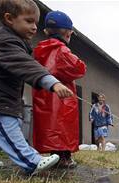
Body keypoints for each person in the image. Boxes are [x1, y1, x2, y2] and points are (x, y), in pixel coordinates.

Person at [0, 0, 73, 175]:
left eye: (36, 22)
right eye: (29, 21)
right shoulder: (5, 42)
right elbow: (27, 66)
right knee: (7, 125)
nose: (34, 27)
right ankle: (31, 161)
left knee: (12, 124)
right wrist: (53, 83)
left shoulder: (16, 42)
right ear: (9, 19)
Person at [32, 10, 86, 168]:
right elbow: (79, 69)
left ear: (46, 31)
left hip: (43, 95)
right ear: (68, 33)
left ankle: (54, 156)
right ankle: (65, 158)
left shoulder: (38, 50)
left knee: (48, 125)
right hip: (62, 96)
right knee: (63, 125)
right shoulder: (62, 50)